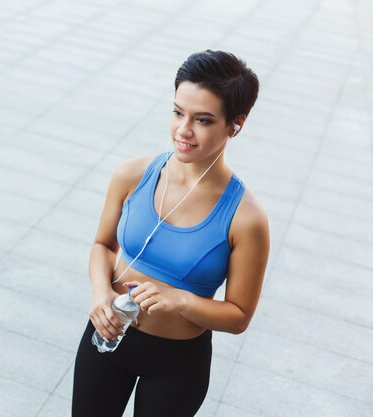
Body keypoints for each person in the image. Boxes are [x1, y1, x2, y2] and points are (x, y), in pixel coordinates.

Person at [71, 50, 270, 417]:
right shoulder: (132, 174)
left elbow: (239, 315)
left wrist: (179, 299)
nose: (183, 130)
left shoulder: (246, 219)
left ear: (235, 125)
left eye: (203, 120)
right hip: (107, 336)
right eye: (178, 112)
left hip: (177, 364)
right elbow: (102, 245)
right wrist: (100, 294)